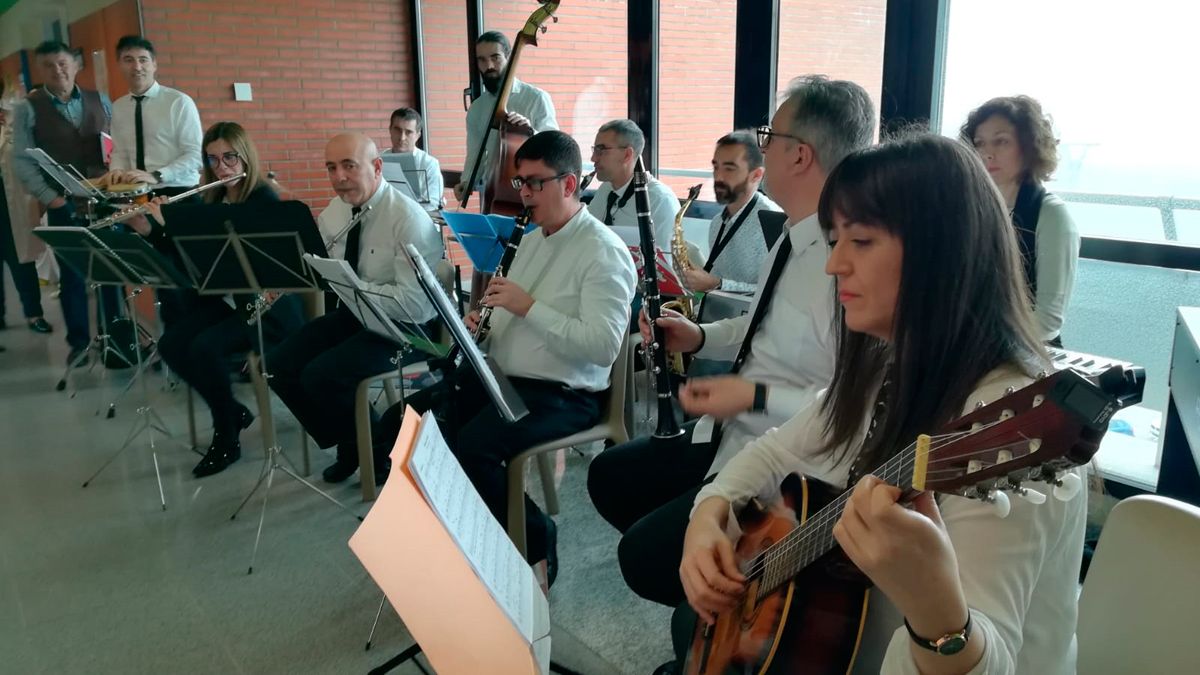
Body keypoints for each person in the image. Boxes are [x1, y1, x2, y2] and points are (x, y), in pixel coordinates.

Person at [680, 133, 1082, 674]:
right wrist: (708, 512)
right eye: (833, 239)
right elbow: (775, 451)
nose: (833, 266)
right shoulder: (887, 363)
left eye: (861, 241)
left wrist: (939, 614)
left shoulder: (1009, 426)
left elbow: (1000, 663)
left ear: (942, 253)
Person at [587, 76, 875, 609]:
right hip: (726, 431)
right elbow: (752, 330)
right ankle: (712, 581)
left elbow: (845, 410)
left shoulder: (846, 263)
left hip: (780, 462)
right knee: (609, 477)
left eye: (770, 135)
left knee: (642, 556)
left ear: (800, 156)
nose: (762, 144)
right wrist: (697, 337)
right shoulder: (790, 235)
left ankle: (731, 594)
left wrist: (751, 397)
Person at [377, 130, 636, 590]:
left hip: (565, 393)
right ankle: (462, 530)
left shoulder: (603, 251)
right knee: (410, 420)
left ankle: (536, 537)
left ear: (570, 184)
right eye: (520, 183)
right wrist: (482, 323)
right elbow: (511, 316)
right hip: (504, 377)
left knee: (474, 446)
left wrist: (527, 306)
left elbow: (602, 347)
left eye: (535, 183)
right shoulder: (532, 239)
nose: (525, 194)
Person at [124, 122, 304, 477]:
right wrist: (153, 231)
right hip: (233, 304)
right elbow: (191, 258)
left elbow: (250, 259)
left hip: (267, 307)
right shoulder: (213, 198)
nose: (223, 167)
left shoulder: (261, 199)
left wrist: (174, 221)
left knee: (205, 347)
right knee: (173, 344)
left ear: (245, 157)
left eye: (230, 158)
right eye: (214, 159)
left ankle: (226, 434)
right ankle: (232, 410)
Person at [267, 133, 443, 485]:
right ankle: (353, 441)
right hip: (358, 314)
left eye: (349, 166)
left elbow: (414, 304)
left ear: (377, 167)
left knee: (323, 374)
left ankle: (374, 451)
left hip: (410, 329)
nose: (339, 177)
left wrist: (354, 287)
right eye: (331, 168)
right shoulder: (334, 212)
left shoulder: (408, 220)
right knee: (279, 365)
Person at [10, 41, 116, 365]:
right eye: (49, 66)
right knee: (72, 276)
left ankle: (116, 340)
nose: (58, 70)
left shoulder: (101, 100)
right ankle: (80, 344)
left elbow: (116, 144)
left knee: (110, 272)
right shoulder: (28, 108)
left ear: (75, 64)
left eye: (63, 63)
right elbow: (21, 161)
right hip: (63, 204)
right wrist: (50, 198)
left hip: (104, 202)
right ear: (40, 70)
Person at [961, 95, 1079, 346]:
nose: (987, 154)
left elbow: (1048, 320)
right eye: (979, 143)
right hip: (973, 354)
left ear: (1029, 147)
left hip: (1025, 356)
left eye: (1001, 142)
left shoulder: (1052, 215)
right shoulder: (974, 210)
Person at [454, 30, 558, 201]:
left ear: (509, 57)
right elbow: (475, 154)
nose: (489, 66)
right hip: (493, 192)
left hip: (534, 190)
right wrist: (466, 182)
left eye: (495, 58)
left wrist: (530, 132)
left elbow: (554, 147)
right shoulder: (477, 108)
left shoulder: (536, 98)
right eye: (482, 60)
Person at [682, 130, 782, 294]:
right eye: (716, 167)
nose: (718, 177)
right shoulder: (717, 223)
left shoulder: (773, 224)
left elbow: (775, 294)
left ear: (756, 175)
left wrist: (717, 284)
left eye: (729, 168)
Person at [106, 35, 203, 197]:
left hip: (178, 191)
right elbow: (120, 151)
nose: (137, 67)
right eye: (128, 60)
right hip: (137, 194)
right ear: (119, 65)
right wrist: (116, 171)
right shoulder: (118, 107)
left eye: (143, 60)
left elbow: (196, 154)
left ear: (154, 64)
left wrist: (157, 175)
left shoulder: (179, 102)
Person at [0, 81, 51, 333]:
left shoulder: (16, 116)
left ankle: (34, 314)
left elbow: (33, 157)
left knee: (22, 260)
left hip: (14, 202)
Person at [586, 119, 678, 244]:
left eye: (601, 150)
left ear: (627, 155)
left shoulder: (661, 200)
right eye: (595, 150)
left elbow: (664, 261)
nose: (593, 158)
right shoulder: (605, 189)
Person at [380, 107, 444, 213]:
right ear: (390, 130)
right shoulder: (379, 161)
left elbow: (432, 204)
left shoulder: (430, 164)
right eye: (397, 130)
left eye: (408, 132)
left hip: (419, 220)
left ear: (418, 135)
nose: (402, 138)